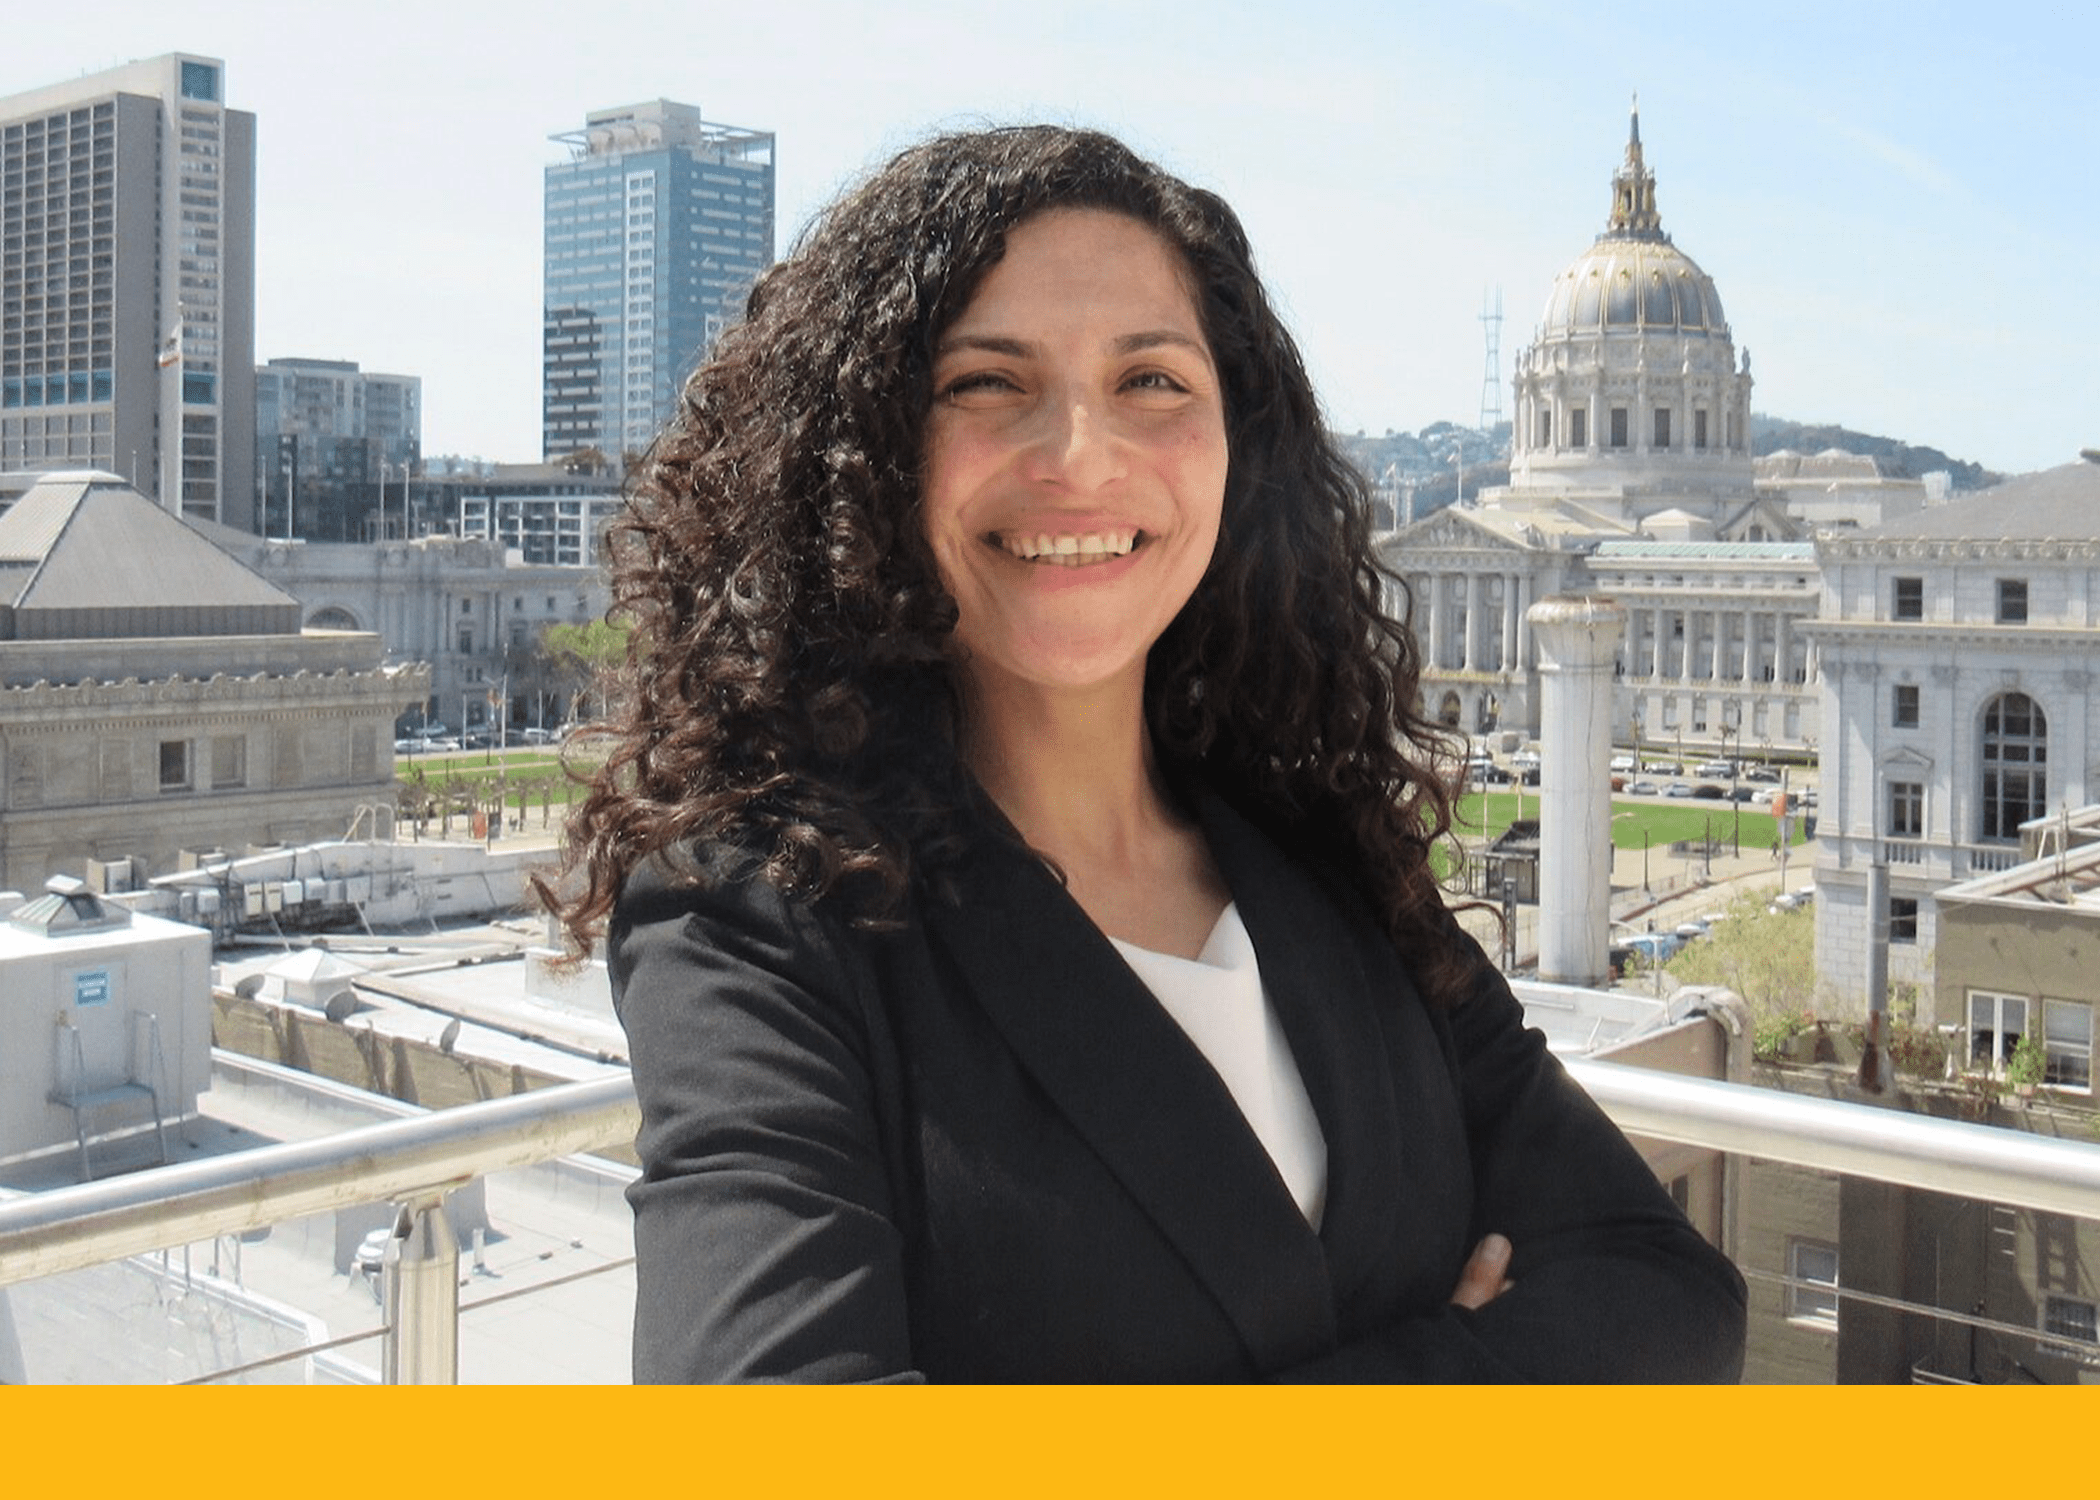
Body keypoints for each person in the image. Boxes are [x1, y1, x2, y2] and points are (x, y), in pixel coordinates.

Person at [545, 125, 1747, 1383]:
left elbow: (1675, 1302)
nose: (1080, 455)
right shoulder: (753, 912)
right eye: (985, 382)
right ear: (868, 456)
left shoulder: (1324, 854)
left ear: (1241, 442)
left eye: (1152, 382)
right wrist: (1450, 1361)